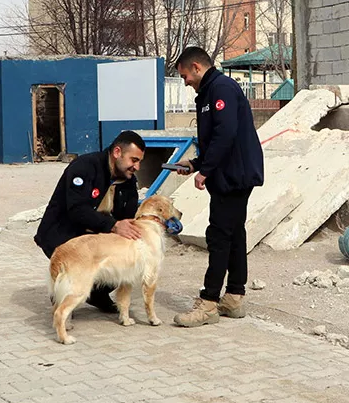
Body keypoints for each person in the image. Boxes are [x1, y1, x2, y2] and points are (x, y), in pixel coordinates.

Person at [172, 46, 264, 327]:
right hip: (231, 173)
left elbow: (226, 133)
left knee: (219, 235)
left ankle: (209, 302)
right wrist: (196, 164)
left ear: (197, 67)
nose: (185, 82)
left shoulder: (221, 88)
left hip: (233, 175)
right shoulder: (210, 92)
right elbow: (219, 140)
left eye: (185, 75)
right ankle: (234, 297)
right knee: (234, 234)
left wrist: (206, 170)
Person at [34, 131, 145, 311]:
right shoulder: (85, 167)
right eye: (134, 160)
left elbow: (127, 217)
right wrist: (113, 226)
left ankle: (96, 294)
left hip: (95, 235)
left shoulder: (128, 180)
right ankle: (63, 294)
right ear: (117, 152)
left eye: (139, 161)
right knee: (76, 265)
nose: (137, 167)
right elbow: (77, 210)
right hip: (64, 233)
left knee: (124, 255)